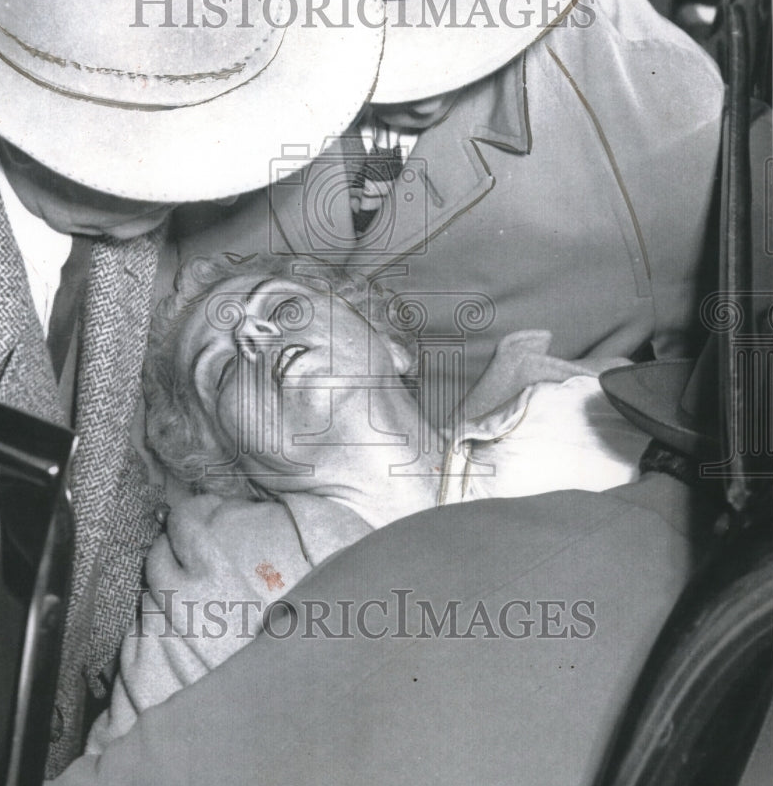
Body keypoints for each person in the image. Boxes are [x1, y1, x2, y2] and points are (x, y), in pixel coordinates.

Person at [0, 0, 384, 776]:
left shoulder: (121, 175)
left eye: (187, 125)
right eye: (113, 138)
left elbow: (103, 510)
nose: (168, 178)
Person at [165, 0, 725, 413]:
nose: (427, 87)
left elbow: (710, 382)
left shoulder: (634, 82)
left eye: (455, 21)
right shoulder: (200, 42)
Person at [83, 256, 653, 750]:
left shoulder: (586, 416)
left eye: (283, 310)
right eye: (225, 368)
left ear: (390, 343)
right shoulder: (217, 574)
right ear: (230, 467)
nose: (256, 340)